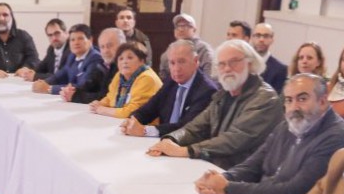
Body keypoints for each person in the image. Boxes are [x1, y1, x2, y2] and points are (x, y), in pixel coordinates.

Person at [197, 74, 344, 194]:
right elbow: (253, 165)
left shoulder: (335, 136)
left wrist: (228, 188)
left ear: (323, 101)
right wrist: (221, 179)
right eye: (289, 100)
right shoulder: (287, 125)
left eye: (302, 99)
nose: (294, 107)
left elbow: (293, 192)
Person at [144, 40, 280, 166]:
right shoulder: (223, 95)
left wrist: (187, 151)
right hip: (215, 168)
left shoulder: (265, 98)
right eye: (222, 64)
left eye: (234, 62)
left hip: (243, 176)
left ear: (250, 64)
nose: (227, 69)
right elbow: (194, 128)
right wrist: (171, 140)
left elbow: (233, 140)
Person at [120, 41, 213, 132]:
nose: (176, 68)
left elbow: (186, 128)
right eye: (172, 63)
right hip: (161, 141)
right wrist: (132, 120)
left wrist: (145, 130)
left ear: (196, 61)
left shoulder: (207, 90)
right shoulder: (171, 81)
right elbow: (149, 109)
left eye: (181, 62)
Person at [90, 41, 161, 119]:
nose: (125, 62)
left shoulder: (147, 78)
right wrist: (99, 104)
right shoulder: (120, 75)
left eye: (130, 58)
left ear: (142, 61)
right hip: (123, 122)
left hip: (146, 126)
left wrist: (102, 110)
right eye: (121, 59)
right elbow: (111, 97)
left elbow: (132, 112)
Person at [35, 24, 107, 100]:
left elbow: (83, 86)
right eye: (72, 40)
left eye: (80, 39)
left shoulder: (96, 59)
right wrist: (44, 82)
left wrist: (50, 88)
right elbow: (61, 75)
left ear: (90, 40)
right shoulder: (72, 56)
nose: (76, 43)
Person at [170, 13, 216, 80]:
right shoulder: (171, 49)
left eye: (184, 26)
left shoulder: (204, 49)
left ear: (194, 30)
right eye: (178, 26)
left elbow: (208, 75)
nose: (180, 29)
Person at [253, 23, 288, 92]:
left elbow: (275, 99)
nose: (261, 39)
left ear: (272, 39)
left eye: (266, 36)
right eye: (258, 35)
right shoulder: (244, 62)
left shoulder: (280, 69)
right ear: (252, 38)